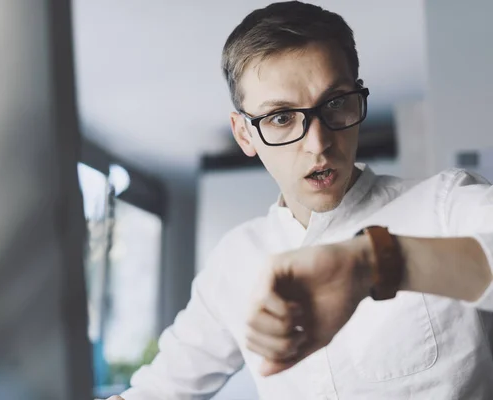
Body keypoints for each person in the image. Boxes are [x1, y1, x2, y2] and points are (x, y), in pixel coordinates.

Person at [104, 1, 493, 399]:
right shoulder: (234, 262)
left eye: (336, 102)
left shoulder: (444, 204)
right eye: (281, 117)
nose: (318, 143)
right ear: (244, 134)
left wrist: (373, 263)